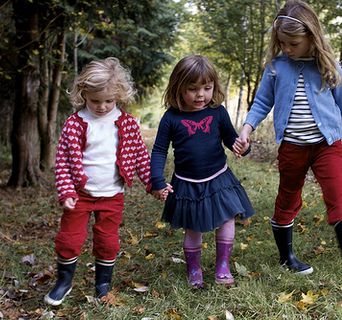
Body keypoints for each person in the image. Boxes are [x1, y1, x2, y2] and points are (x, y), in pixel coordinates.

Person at [237, 1, 342, 283]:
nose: (287, 48)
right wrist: (246, 129)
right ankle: (286, 257)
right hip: (292, 147)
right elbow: (262, 102)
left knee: (338, 194)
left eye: (293, 43)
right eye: (282, 43)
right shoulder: (277, 66)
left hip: (327, 145)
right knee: (288, 199)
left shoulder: (328, 65)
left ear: (311, 36)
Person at [45, 57, 171, 306]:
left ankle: (102, 285)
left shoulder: (127, 124)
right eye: (95, 101)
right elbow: (62, 162)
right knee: (69, 238)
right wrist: (67, 191)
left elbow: (140, 159)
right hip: (80, 195)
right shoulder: (74, 124)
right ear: (83, 95)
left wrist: (154, 185)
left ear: (119, 97)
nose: (102, 107)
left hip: (112, 195)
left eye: (109, 101)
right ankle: (64, 282)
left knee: (107, 240)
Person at [149, 55, 254, 288]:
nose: (200, 95)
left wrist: (242, 146)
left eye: (207, 88)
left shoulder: (218, 112)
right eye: (192, 89)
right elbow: (158, 150)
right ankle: (194, 269)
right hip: (187, 181)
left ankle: (222, 266)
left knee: (228, 218)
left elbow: (231, 139)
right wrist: (157, 180)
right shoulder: (171, 118)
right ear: (179, 87)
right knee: (193, 225)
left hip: (218, 177)